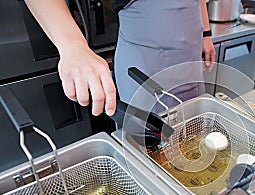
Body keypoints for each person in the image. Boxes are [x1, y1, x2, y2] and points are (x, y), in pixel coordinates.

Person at [25, 0, 216, 116]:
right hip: (146, 61)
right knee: (150, 143)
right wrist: (73, 46)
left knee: (193, 126)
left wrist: (206, 34)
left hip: (191, 55)